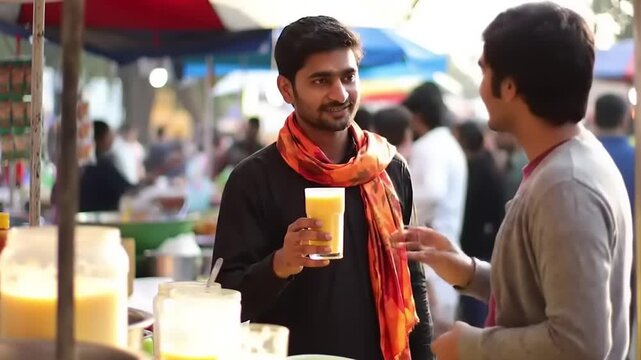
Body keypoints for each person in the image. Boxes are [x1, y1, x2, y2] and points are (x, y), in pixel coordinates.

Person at [392, 3, 632, 360]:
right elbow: (541, 298)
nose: (481, 87)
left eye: (483, 70)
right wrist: (468, 272)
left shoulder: (566, 185)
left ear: (507, 87)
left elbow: (580, 344)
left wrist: (471, 345)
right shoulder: (564, 163)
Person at [213, 16, 431, 360]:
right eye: (321, 80)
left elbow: (412, 280)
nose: (340, 93)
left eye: (348, 76)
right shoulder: (253, 179)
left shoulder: (387, 167)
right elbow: (224, 301)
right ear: (287, 89)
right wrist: (279, 264)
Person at [403, 81, 467, 335]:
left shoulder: (430, 146)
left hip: (430, 260)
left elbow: (431, 193)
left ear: (417, 117)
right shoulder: (448, 144)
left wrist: (395, 210)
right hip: (444, 257)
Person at [452, 120, 507, 328]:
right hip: (483, 243)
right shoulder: (488, 164)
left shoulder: (479, 169)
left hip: (478, 246)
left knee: (477, 307)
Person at [79, 120, 133, 212]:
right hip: (100, 217)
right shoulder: (102, 164)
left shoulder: (84, 162)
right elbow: (125, 188)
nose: (112, 138)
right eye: (109, 134)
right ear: (101, 138)